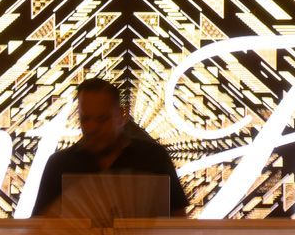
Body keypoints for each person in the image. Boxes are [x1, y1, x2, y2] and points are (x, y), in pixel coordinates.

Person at [30, 78, 188, 218]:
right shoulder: (59, 165)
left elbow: (179, 225)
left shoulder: (154, 158)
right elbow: (39, 229)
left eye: (101, 119)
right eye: (86, 119)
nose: (91, 127)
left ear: (122, 116)